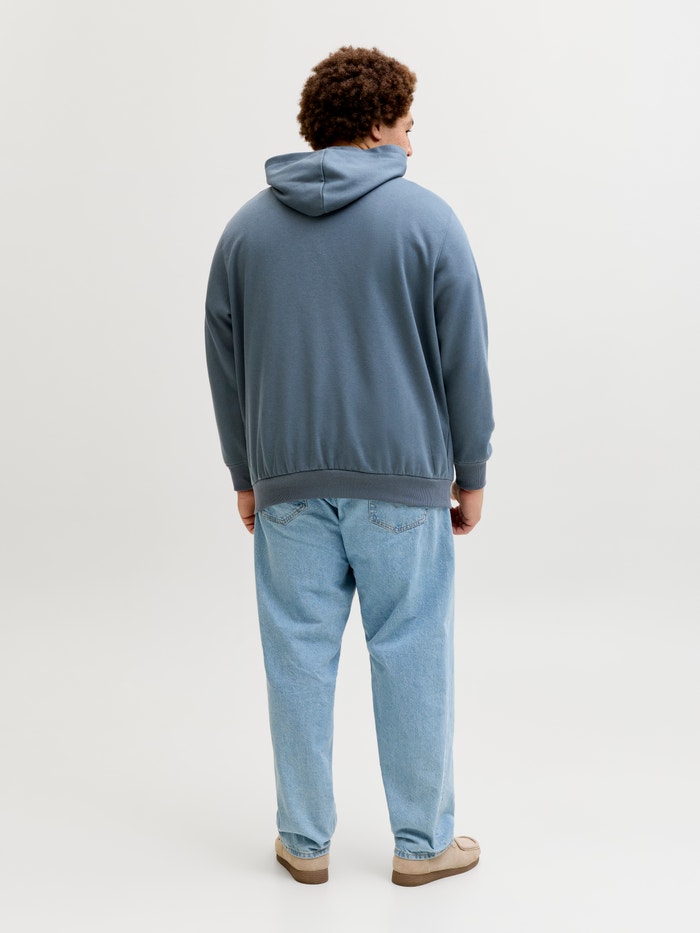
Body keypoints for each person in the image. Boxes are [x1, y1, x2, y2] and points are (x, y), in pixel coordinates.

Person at [205, 46, 494, 887]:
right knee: (412, 652)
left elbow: (225, 365)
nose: (412, 141)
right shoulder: (428, 220)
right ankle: (422, 845)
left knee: (296, 656)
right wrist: (471, 469)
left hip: (288, 485)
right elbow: (466, 358)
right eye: (406, 124)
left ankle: (303, 841)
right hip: (403, 484)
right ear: (374, 126)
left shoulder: (245, 231)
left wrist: (245, 474)